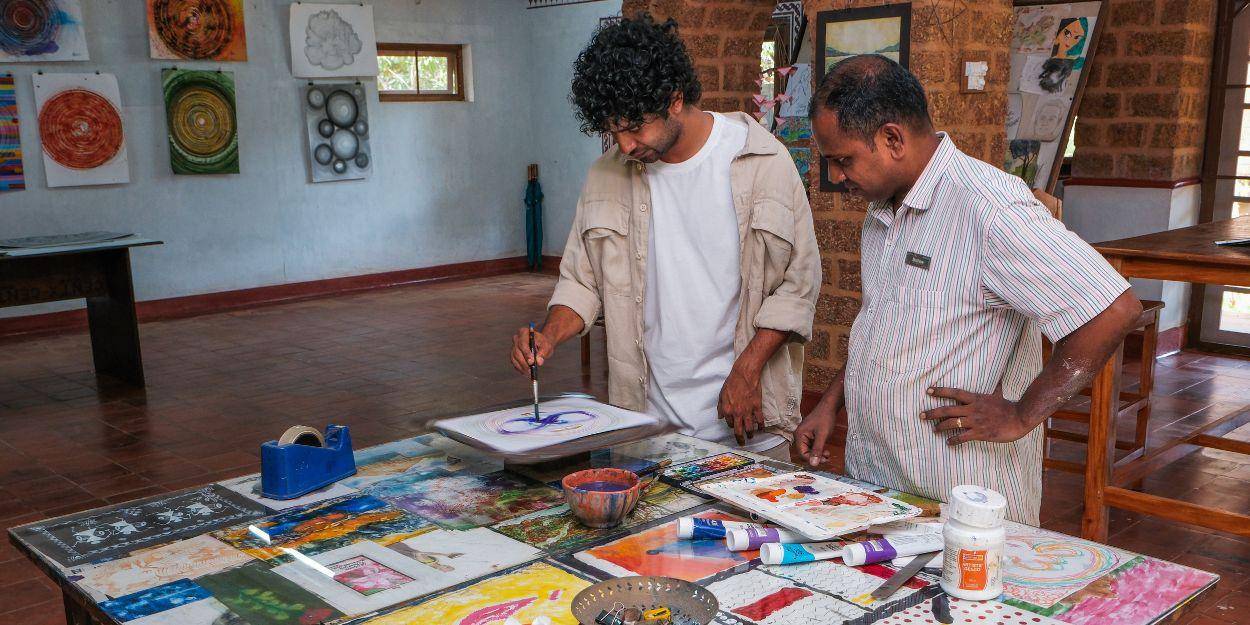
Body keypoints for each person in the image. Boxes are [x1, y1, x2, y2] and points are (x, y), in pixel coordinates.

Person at [793, 55, 1142, 523]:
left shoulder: (991, 209)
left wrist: (1021, 414)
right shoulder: (882, 213)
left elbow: (1112, 309)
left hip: (964, 496)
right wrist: (832, 403)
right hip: (879, 481)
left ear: (892, 139)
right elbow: (881, 322)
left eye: (843, 160)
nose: (836, 177)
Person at [507, 15, 820, 461]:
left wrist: (748, 371)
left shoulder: (762, 161)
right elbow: (582, 280)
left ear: (674, 99)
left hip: (749, 425)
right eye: (613, 131)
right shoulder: (606, 175)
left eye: (635, 127)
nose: (626, 145)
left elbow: (799, 283)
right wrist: (550, 335)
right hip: (644, 429)